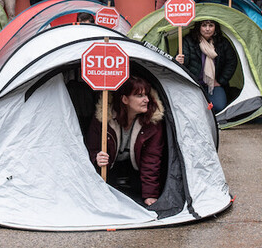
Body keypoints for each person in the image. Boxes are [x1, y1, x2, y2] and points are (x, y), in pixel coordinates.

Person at [86, 76, 165, 207]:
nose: (146, 100)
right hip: (110, 168)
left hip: (135, 170)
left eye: (146, 95)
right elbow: (90, 147)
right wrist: (96, 157)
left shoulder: (152, 122)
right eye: (140, 95)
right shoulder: (103, 119)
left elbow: (151, 159)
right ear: (125, 99)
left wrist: (150, 195)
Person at [175, 19, 238, 111]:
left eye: (211, 25)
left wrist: (220, 81)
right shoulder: (188, 41)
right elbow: (183, 64)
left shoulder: (222, 42)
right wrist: (177, 61)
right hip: (194, 84)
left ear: (215, 27)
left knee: (219, 106)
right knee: (194, 108)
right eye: (204, 25)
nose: (207, 29)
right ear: (198, 27)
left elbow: (231, 62)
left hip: (213, 84)